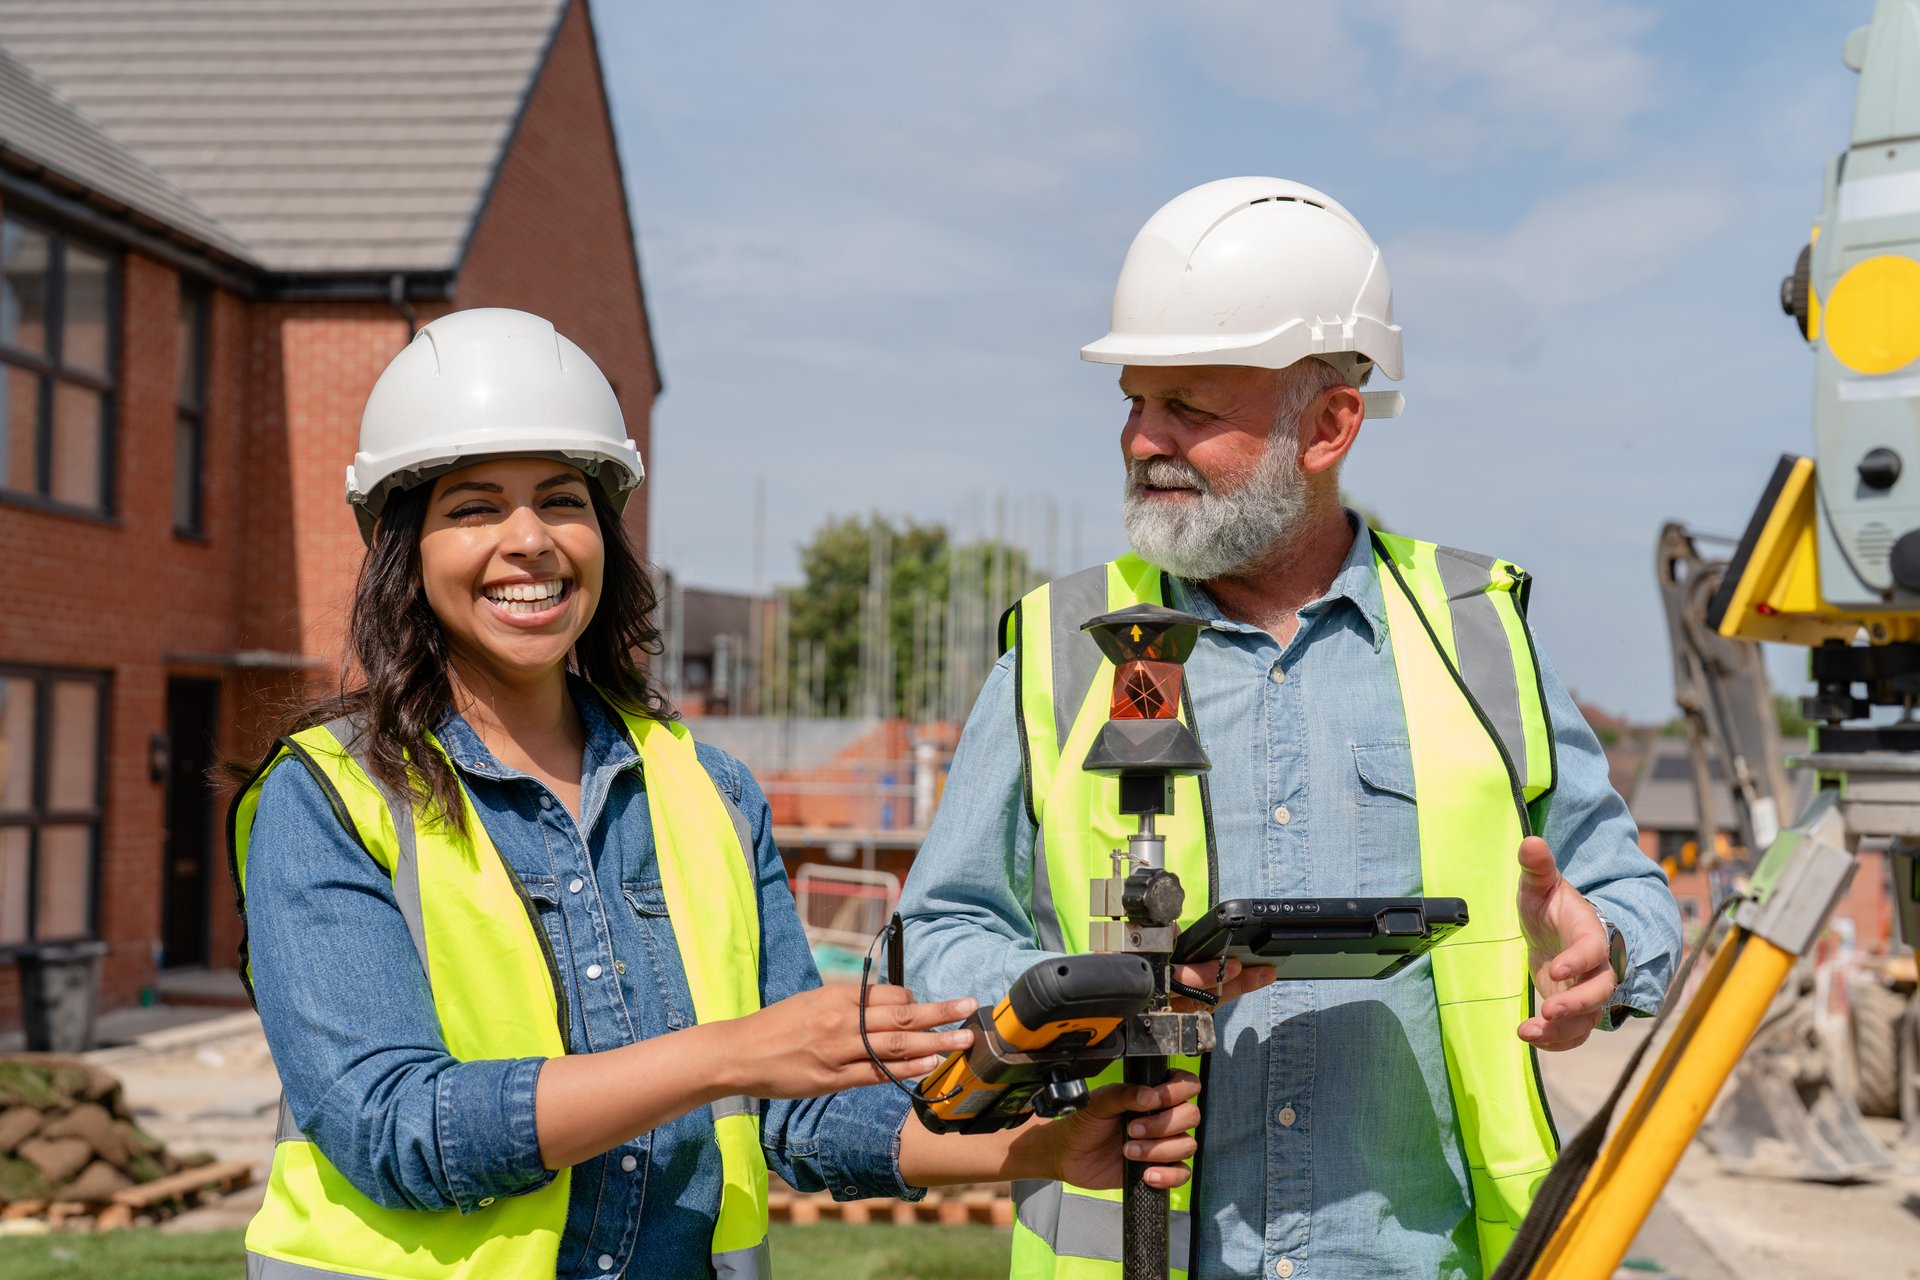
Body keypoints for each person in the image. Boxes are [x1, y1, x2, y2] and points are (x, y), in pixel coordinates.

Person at [229, 307, 1202, 1280]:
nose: (529, 540)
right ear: (405, 543)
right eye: (474, 507)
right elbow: (394, 1127)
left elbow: (796, 1108)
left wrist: (1029, 1148)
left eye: (562, 500)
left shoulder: (707, 789)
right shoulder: (329, 796)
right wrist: (729, 1051)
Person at [897, 178, 1684, 1280]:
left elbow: (1633, 895)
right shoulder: (1066, 646)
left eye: (1189, 407)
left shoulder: (1480, 637)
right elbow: (940, 931)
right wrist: (1094, 994)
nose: (1141, 438)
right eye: (1133, 400)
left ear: (1328, 425)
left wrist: (1604, 949)